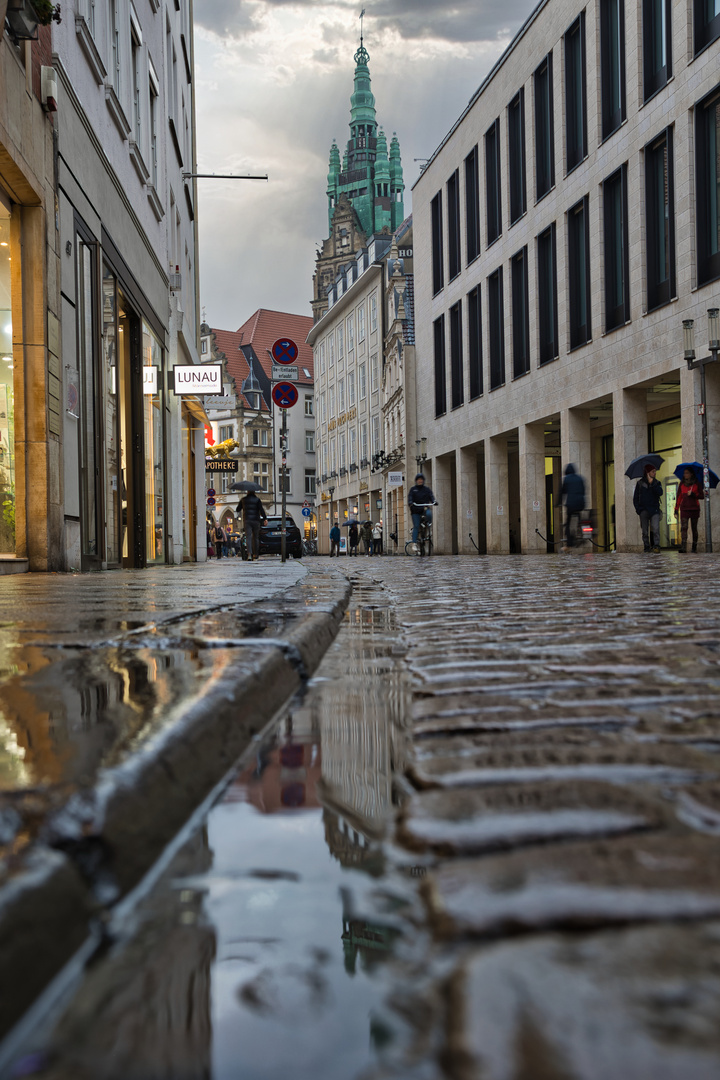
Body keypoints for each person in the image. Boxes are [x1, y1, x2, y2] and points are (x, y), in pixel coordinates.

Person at [633, 464, 663, 552]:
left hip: (654, 510)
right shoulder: (640, 483)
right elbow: (635, 498)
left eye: (655, 471)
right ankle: (646, 546)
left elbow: (660, 492)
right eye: (653, 471)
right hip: (643, 510)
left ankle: (656, 545)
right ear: (647, 472)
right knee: (644, 531)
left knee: (656, 528)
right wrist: (638, 509)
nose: (655, 473)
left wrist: (652, 484)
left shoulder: (657, 483)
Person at [675, 467, 704, 552]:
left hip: (694, 508)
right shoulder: (682, 484)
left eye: (687, 473)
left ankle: (694, 547)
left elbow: (701, 496)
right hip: (684, 508)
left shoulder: (697, 484)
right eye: (684, 473)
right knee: (684, 527)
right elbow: (679, 497)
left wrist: (693, 494)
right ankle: (683, 547)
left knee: (694, 528)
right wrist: (676, 510)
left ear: (691, 474)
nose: (685, 475)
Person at [560, 463, 586, 548]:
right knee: (579, 515)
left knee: (568, 522)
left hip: (571, 504)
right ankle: (581, 531)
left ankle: (569, 542)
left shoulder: (567, 479)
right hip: (581, 503)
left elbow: (562, 492)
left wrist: (558, 502)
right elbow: (584, 490)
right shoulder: (580, 478)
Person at [408, 474, 436, 544]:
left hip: (424, 508)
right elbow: (410, 497)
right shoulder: (413, 490)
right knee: (416, 526)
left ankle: (429, 525)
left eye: (421, 479)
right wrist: (410, 502)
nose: (420, 481)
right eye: (419, 480)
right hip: (415, 510)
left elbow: (431, 496)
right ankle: (414, 543)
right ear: (416, 481)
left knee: (429, 513)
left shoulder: (426, 489)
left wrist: (434, 501)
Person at [240, 491, 267, 561]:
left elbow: (238, 509)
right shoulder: (257, 500)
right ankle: (256, 554)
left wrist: (243, 506)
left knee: (248, 537)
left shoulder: (243, 500)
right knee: (256, 538)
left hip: (247, 521)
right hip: (256, 521)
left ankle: (249, 554)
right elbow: (261, 509)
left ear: (247, 492)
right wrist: (265, 518)